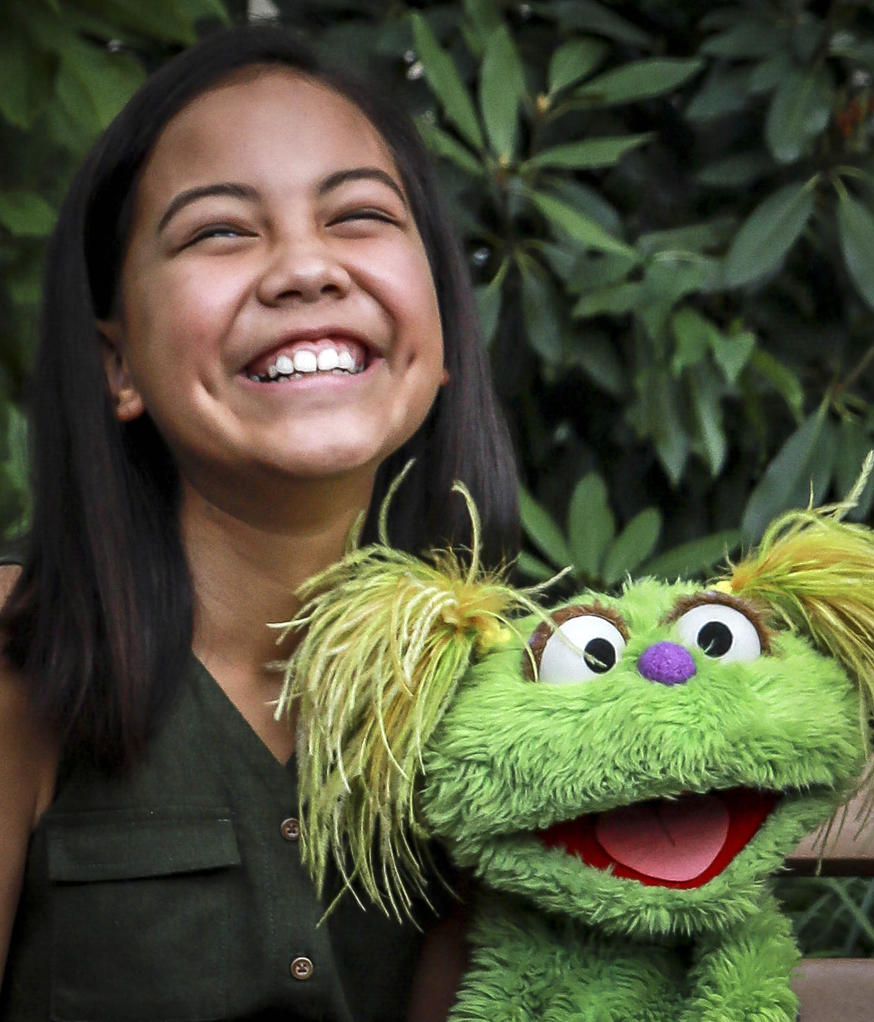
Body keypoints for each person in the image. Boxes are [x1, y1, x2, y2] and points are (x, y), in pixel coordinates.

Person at [0, 23, 519, 1022]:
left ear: (442, 329)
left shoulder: (501, 701)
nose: (304, 270)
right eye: (220, 231)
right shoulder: (22, 658)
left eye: (358, 216)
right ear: (118, 366)